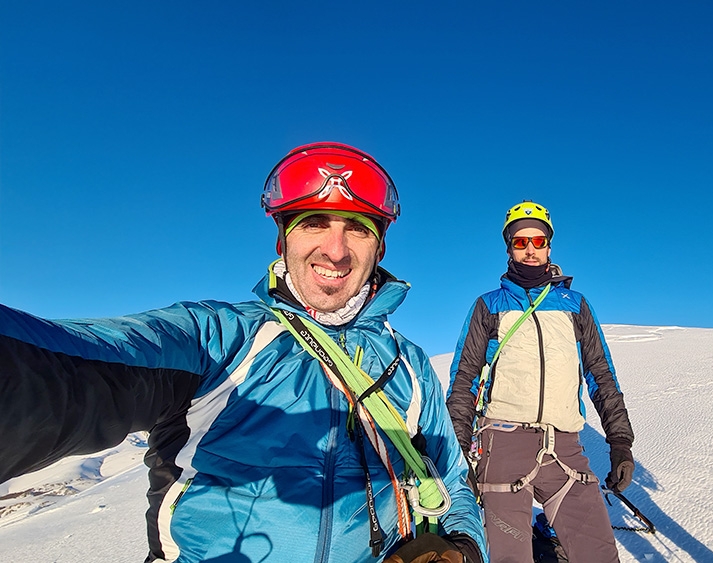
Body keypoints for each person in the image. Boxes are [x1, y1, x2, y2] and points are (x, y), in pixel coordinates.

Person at [0, 142, 487, 563]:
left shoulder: (409, 365)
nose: (336, 251)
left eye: (357, 229)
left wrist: (462, 545)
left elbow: (450, 476)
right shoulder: (219, 337)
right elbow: (77, 365)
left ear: (379, 247)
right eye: (314, 223)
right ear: (283, 238)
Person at [446, 201, 635, 563]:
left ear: (549, 245)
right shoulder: (489, 306)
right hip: (501, 447)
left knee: (599, 554)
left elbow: (601, 375)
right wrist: (458, 457)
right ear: (508, 248)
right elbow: (464, 382)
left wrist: (620, 441)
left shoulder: (575, 305)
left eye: (538, 240)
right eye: (520, 242)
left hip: (564, 447)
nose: (530, 249)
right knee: (508, 558)